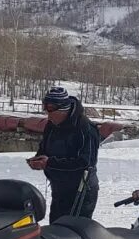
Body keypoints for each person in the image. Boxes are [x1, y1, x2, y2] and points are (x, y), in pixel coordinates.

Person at [27, 86, 100, 222]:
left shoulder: (86, 128)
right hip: (59, 187)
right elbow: (44, 148)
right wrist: (38, 159)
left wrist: (49, 163)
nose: (48, 117)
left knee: (72, 233)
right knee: (55, 228)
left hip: (81, 190)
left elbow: (86, 163)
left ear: (63, 110)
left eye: (51, 113)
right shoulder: (51, 125)